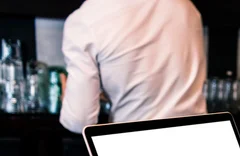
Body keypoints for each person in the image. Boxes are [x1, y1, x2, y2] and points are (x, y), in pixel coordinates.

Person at [59, 0, 207, 134]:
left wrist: (70, 100)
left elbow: (79, 122)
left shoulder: (86, 19)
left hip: (137, 147)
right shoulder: (186, 7)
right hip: (201, 138)